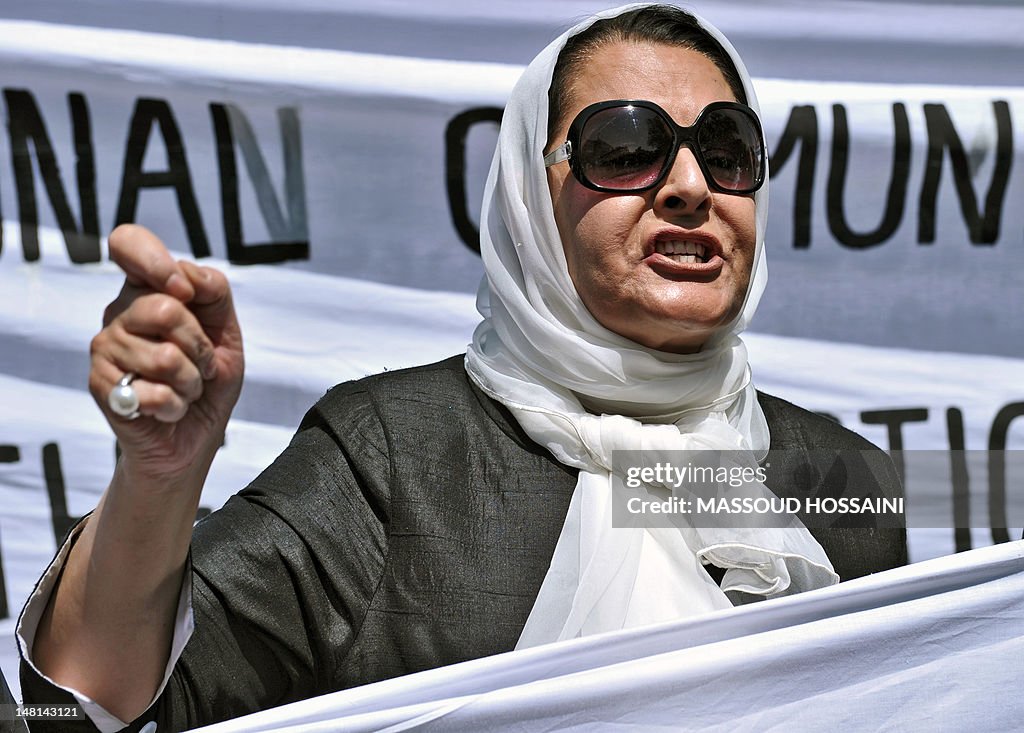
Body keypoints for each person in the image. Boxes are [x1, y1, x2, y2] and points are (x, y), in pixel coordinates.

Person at [17, 4, 906, 731]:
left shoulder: (836, 471)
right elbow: (93, 709)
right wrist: (159, 476)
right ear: (529, 192)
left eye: (725, 150)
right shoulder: (393, 454)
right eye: (626, 148)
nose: (688, 185)